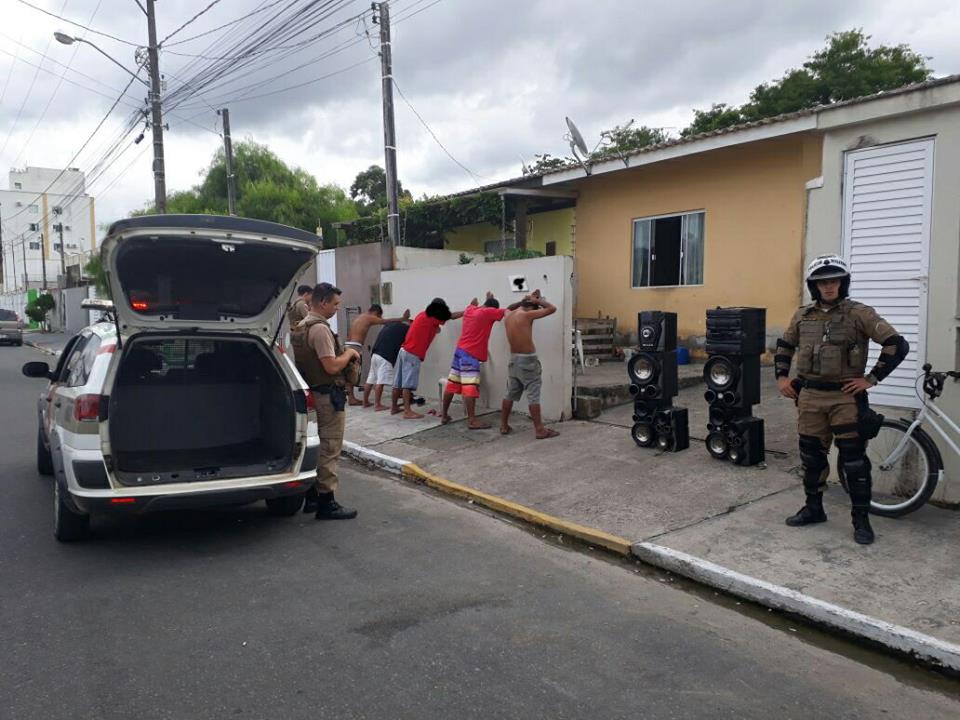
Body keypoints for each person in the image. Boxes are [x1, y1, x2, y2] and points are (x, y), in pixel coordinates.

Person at [775, 254, 909, 545]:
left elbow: (897, 345)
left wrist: (870, 380)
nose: (829, 286)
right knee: (811, 459)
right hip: (809, 398)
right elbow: (785, 345)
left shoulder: (859, 314)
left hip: (845, 400)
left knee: (854, 462)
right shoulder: (802, 315)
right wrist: (782, 378)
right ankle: (814, 509)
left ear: (843, 282)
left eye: (834, 280)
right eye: (822, 282)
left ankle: (861, 520)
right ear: (815, 286)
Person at [293, 282, 362, 520]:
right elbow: (331, 365)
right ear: (322, 302)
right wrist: (350, 354)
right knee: (330, 449)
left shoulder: (302, 326)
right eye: (335, 304)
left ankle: (312, 497)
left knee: (316, 447)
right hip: (327, 395)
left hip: (313, 392)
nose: (336, 308)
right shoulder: (320, 329)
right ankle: (326, 502)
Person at [441, 291, 522, 429]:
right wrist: (521, 303)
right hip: (471, 355)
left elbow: (473, 302)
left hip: (459, 351)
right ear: (493, 308)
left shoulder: (470, 309)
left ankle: (444, 415)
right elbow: (509, 309)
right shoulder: (489, 312)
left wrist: (487, 299)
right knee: (470, 387)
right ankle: (472, 420)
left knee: (452, 383)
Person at [499, 290, 559, 439]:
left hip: (514, 360)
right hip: (528, 361)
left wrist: (526, 300)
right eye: (535, 307)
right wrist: (536, 300)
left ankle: (504, 425)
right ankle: (540, 430)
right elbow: (552, 309)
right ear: (531, 307)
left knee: (510, 394)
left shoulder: (508, 315)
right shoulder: (526, 315)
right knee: (533, 396)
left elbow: (508, 307)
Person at [392, 298, 465, 419]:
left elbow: (435, 328)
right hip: (412, 353)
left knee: (398, 382)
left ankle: (394, 407)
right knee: (407, 384)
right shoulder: (432, 317)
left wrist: (435, 328)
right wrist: (468, 310)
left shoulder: (423, 315)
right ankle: (407, 411)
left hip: (404, 350)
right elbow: (450, 316)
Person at [344, 304, 411, 405]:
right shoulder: (369, 317)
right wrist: (403, 318)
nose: (379, 319)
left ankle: (356, 399)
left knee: (353, 374)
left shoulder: (361, 317)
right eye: (379, 316)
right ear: (376, 313)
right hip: (355, 346)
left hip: (349, 345)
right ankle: (353, 399)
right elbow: (386, 322)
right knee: (353, 373)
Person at [364, 318, 410, 410]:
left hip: (375, 354)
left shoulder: (389, 325)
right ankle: (377, 405)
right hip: (385, 356)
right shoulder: (406, 329)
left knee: (371, 378)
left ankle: (365, 402)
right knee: (380, 381)